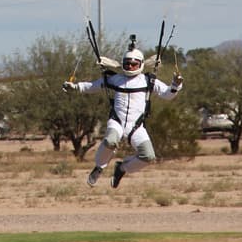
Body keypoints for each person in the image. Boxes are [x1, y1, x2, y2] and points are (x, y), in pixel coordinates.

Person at [62, 46, 183, 188]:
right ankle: (99, 167)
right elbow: (92, 86)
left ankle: (122, 168)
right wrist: (75, 87)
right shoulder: (115, 79)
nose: (130, 67)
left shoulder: (148, 81)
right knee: (110, 141)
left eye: (134, 64)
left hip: (136, 126)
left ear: (141, 64)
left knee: (148, 156)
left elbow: (168, 94)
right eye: (127, 64)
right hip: (117, 122)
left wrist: (176, 84)